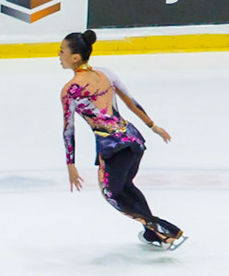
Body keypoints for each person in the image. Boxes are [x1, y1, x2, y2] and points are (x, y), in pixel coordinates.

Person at [58, 29, 184, 250]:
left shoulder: (70, 90)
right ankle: (152, 234)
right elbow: (130, 101)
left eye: (62, 52)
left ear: (75, 57)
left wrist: (70, 164)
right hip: (134, 140)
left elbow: (69, 129)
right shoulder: (106, 73)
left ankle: (165, 230)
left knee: (112, 194)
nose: (59, 56)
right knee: (126, 187)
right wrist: (152, 126)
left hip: (113, 148)